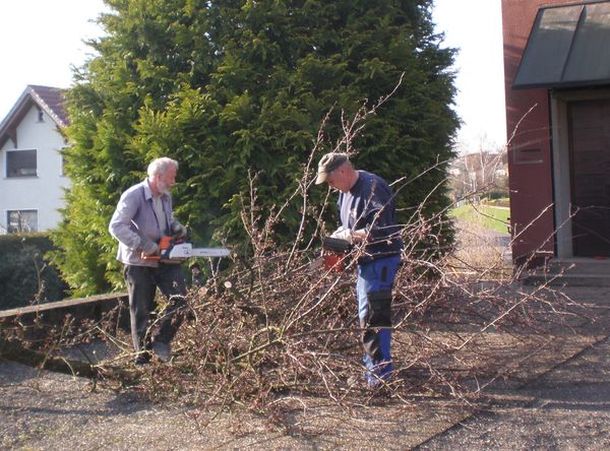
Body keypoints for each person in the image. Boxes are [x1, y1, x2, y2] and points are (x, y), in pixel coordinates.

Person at [316, 152, 403, 387]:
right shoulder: (344, 194)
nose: (331, 187)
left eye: (331, 181)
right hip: (365, 263)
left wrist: (351, 235)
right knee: (366, 318)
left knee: (374, 319)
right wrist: (340, 236)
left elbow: (383, 230)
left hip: (381, 260)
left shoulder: (374, 188)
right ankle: (373, 374)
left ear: (343, 171)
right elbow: (349, 224)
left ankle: (379, 380)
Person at [109, 157, 188, 364]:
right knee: (141, 310)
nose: (173, 182)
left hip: (163, 260)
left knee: (181, 300)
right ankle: (141, 358)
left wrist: (177, 227)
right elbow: (116, 226)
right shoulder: (133, 195)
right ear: (159, 176)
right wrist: (143, 245)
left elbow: (167, 221)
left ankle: (161, 340)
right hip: (138, 262)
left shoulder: (165, 197)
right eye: (171, 177)